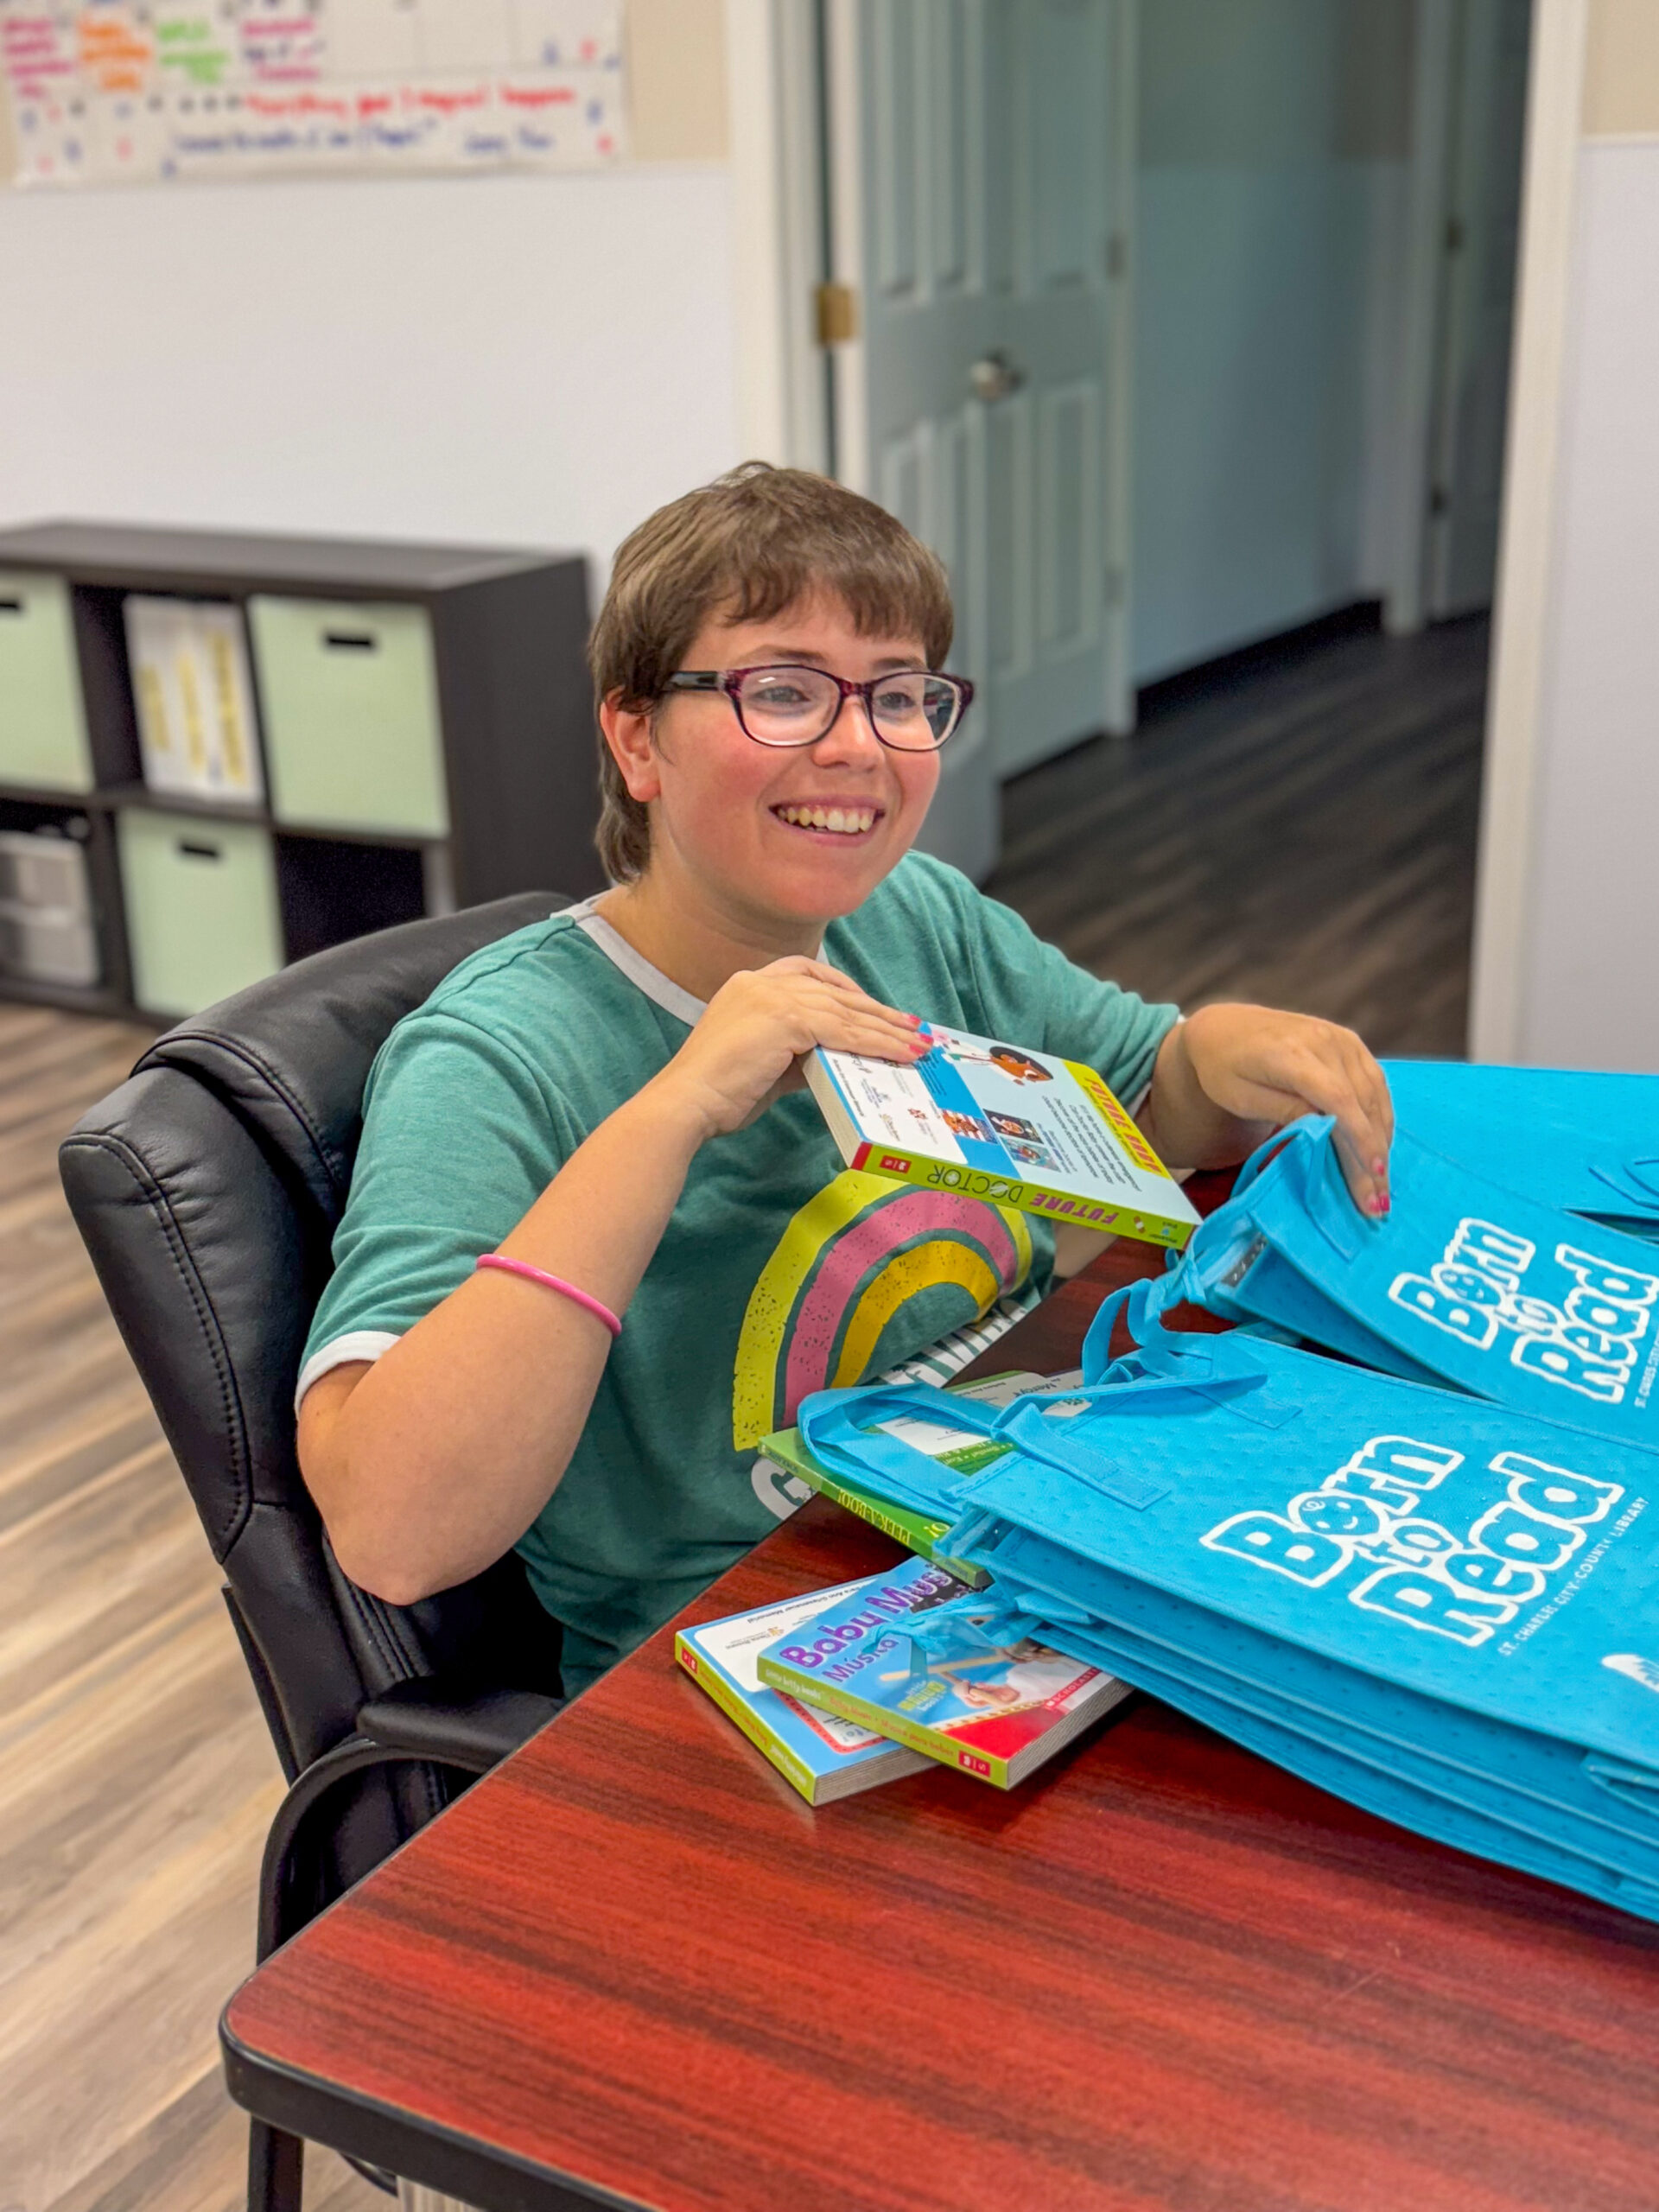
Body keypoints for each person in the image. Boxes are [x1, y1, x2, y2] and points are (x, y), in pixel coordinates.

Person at [297, 464, 1393, 1698]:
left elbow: (1141, 1106)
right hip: (742, 1648)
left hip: (1009, 1521)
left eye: (902, 695)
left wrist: (1223, 1049)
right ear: (637, 737)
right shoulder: (499, 1055)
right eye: (782, 691)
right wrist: (673, 1114)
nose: (858, 744)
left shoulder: (916, 915)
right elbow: (394, 1533)